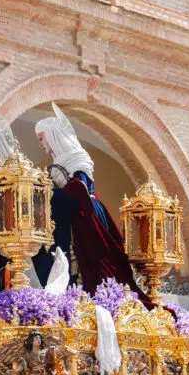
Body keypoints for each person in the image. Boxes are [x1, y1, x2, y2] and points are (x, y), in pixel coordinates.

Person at [34, 103, 151, 306]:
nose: (40, 143)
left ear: (53, 136)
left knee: (89, 266)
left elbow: (80, 190)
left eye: (41, 138)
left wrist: (50, 194)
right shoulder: (56, 162)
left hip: (84, 219)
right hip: (66, 218)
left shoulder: (77, 159)